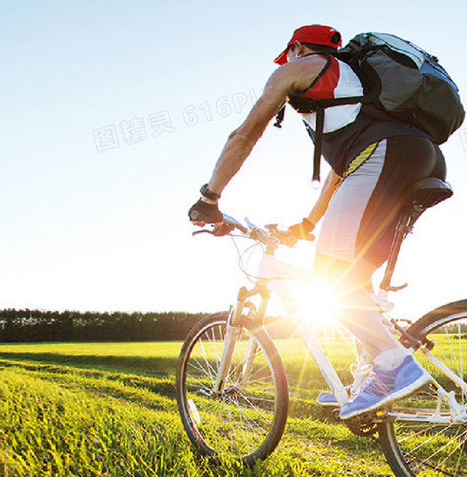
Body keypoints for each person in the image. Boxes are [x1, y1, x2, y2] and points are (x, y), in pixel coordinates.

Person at [188, 24, 447, 419]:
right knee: (354, 282)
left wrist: (210, 197)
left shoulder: (302, 68)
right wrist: (308, 225)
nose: (287, 63)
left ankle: (393, 365)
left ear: (296, 49)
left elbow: (244, 135)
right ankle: (369, 375)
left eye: (288, 56)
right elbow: (342, 173)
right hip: (418, 156)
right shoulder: (355, 88)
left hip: (383, 157)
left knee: (328, 278)